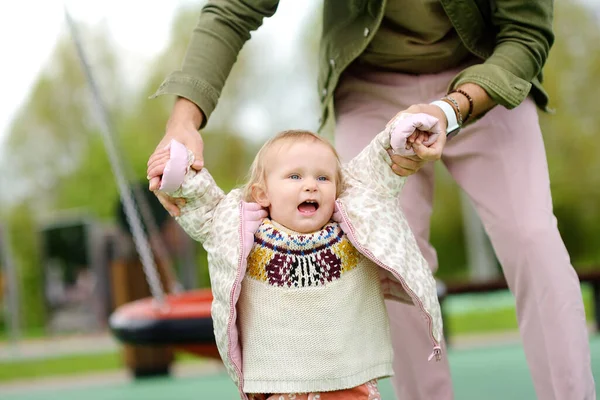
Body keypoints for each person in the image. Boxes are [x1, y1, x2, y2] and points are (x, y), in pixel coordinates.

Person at [146, 1, 596, 399]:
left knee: (532, 238)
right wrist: (184, 120)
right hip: (371, 82)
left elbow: (527, 33)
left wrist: (450, 108)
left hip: (484, 78)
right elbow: (232, 8)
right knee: (377, 249)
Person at [155, 119, 444, 400]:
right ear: (262, 194)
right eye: (295, 176)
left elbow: (375, 174)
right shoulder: (239, 231)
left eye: (323, 177)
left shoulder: (353, 222)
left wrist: (396, 143)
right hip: (279, 383)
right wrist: (179, 173)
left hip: (350, 380)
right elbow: (204, 208)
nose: (311, 185)